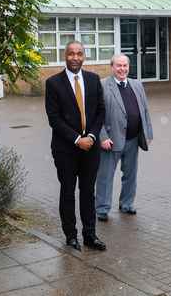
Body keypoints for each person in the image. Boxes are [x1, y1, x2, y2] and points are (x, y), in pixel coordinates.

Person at [44, 41, 107, 251]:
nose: (75, 57)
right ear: (65, 56)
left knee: (88, 192)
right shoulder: (53, 83)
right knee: (68, 192)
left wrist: (90, 136)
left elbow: (100, 111)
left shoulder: (93, 79)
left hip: (91, 147)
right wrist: (76, 139)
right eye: (71, 53)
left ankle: (90, 235)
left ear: (84, 57)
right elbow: (54, 118)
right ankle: (71, 235)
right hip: (66, 149)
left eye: (79, 54)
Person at [95, 54, 153, 221]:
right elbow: (96, 115)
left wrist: (148, 132)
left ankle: (126, 204)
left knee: (130, 175)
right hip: (111, 141)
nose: (122, 69)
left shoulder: (137, 84)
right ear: (112, 67)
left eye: (125, 66)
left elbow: (145, 110)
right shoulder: (103, 85)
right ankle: (102, 209)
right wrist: (102, 137)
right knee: (105, 176)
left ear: (129, 67)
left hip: (133, 139)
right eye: (118, 66)